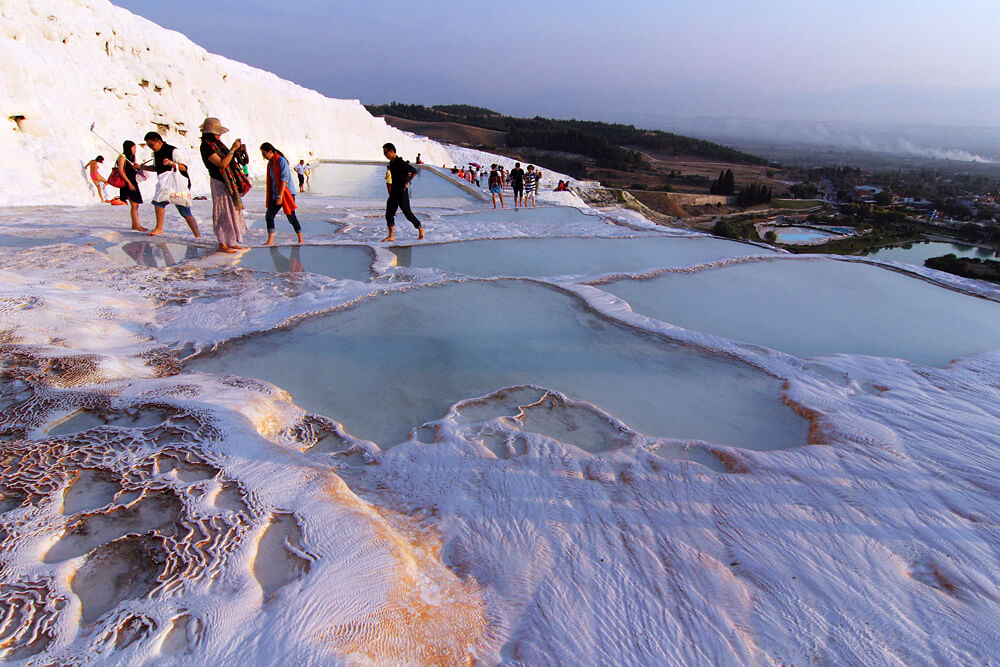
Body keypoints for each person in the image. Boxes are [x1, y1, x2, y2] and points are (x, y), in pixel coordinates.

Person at [199, 117, 249, 253]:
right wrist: (233, 149)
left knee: (232, 211)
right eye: (217, 132)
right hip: (219, 182)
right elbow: (222, 164)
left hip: (227, 182)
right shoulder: (206, 147)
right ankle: (223, 243)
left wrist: (235, 150)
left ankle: (230, 241)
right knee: (223, 212)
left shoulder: (217, 144)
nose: (219, 135)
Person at [141, 132, 200, 238]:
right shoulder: (156, 153)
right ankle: (159, 227)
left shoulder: (173, 151)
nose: (151, 147)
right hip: (166, 184)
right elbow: (156, 168)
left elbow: (184, 167)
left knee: (184, 210)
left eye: (151, 145)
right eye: (149, 145)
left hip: (178, 184)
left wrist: (171, 163)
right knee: (158, 202)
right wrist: (141, 167)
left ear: (159, 142)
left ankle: (197, 235)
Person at [260, 142, 303, 246]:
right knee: (269, 215)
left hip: (286, 193)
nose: (264, 157)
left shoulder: (281, 161)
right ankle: (270, 240)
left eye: (264, 154)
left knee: (291, 216)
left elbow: (284, 179)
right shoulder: (271, 163)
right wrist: (276, 195)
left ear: (270, 151)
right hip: (276, 193)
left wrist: (280, 196)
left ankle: (300, 238)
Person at [381, 142, 424, 242]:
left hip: (401, 193)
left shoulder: (401, 163)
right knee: (389, 213)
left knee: (407, 213)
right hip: (394, 192)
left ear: (392, 151)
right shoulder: (391, 163)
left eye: (386, 152)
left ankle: (420, 228)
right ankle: (391, 236)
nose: (385, 155)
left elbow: (414, 171)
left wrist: (406, 182)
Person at [116, 141, 147, 231]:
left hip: (133, 181)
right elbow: (120, 171)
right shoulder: (122, 157)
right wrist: (129, 183)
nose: (135, 150)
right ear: (129, 148)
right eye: (134, 148)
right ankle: (136, 226)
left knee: (136, 204)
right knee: (134, 204)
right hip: (127, 183)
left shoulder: (130, 158)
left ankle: (136, 225)